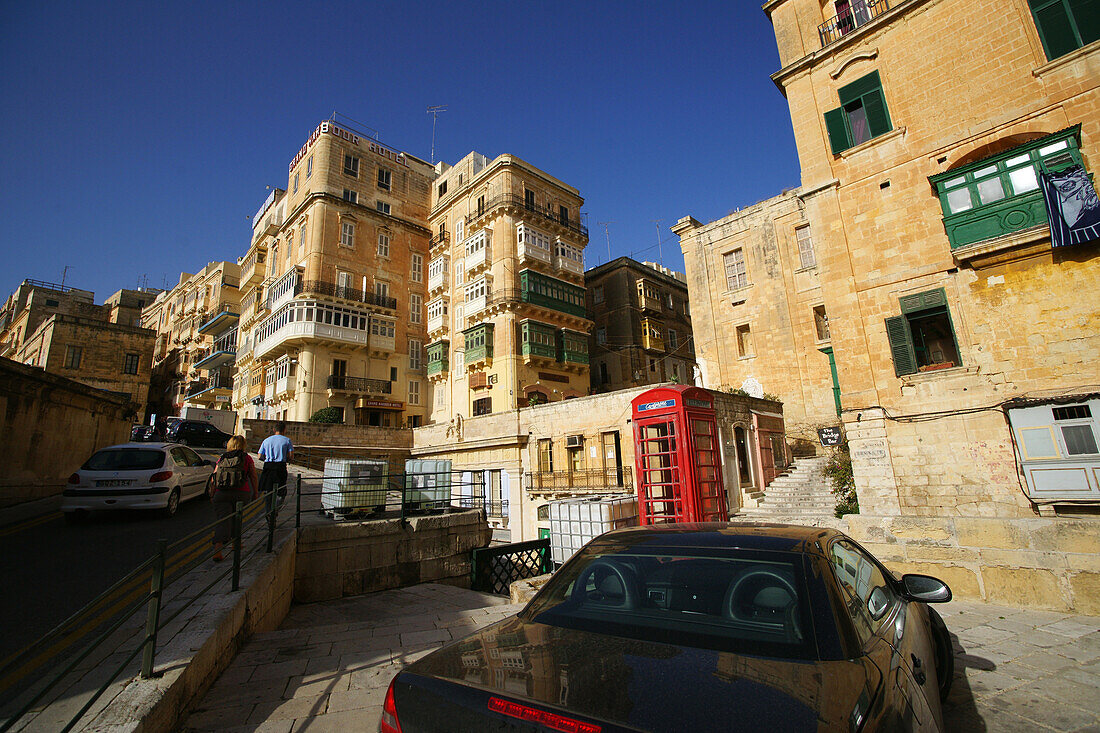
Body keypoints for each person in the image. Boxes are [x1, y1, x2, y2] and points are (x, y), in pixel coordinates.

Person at [210, 435, 258, 561]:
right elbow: (253, 476)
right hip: (242, 492)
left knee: (223, 519)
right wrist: (255, 492)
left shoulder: (222, 458)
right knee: (237, 517)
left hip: (222, 492)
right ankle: (236, 543)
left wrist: (212, 492)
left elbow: (214, 477)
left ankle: (218, 549)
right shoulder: (246, 458)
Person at [258, 421, 294, 506]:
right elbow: (291, 456)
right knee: (281, 490)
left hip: (268, 466)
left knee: (268, 490)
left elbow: (259, 456)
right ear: (284, 430)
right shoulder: (287, 440)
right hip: (280, 466)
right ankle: (276, 508)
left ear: (274, 430)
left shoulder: (266, 440)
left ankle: (268, 509)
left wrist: (267, 459)